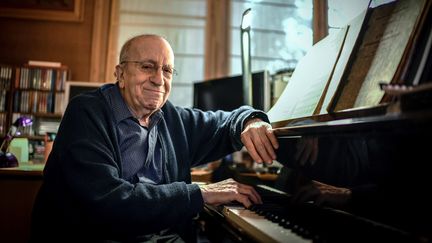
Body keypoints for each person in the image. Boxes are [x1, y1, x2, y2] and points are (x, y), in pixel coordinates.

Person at [30, 34, 279, 243]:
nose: (159, 79)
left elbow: (224, 123)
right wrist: (199, 194)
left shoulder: (171, 117)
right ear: (120, 74)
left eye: (167, 70)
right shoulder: (86, 113)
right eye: (147, 66)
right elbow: (108, 202)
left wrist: (251, 121)